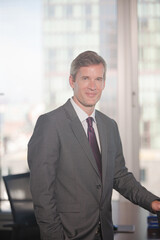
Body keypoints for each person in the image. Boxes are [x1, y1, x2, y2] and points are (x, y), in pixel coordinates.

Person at [27, 50, 160, 240]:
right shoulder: (50, 124)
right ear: (72, 81)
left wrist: (153, 203)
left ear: (104, 83)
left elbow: (119, 176)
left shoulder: (109, 125)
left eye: (98, 79)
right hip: (68, 235)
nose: (92, 86)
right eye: (85, 78)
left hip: (104, 233)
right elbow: (42, 194)